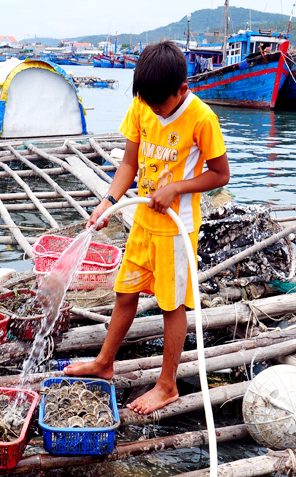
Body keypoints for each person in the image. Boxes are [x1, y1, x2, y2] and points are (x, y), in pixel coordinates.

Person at [65, 40, 230, 415]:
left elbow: (220, 174)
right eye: (149, 103)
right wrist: (108, 202)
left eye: (161, 104)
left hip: (176, 230)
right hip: (141, 222)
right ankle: (104, 363)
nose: (155, 109)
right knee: (125, 293)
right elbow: (128, 163)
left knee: (172, 307)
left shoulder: (202, 118)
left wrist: (176, 188)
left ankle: (167, 385)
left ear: (182, 90)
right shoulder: (142, 105)